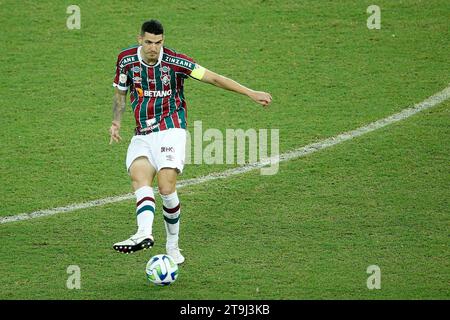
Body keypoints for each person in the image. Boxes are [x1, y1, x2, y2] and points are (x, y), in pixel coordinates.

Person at [109, 19, 272, 264]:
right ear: (140, 39)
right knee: (139, 178)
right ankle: (143, 233)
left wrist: (251, 93)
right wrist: (116, 122)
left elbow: (213, 78)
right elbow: (120, 92)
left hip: (171, 128)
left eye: (159, 42)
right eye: (149, 42)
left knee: (165, 186)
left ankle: (173, 246)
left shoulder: (176, 62)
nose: (154, 47)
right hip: (142, 132)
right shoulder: (126, 60)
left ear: (163, 40)